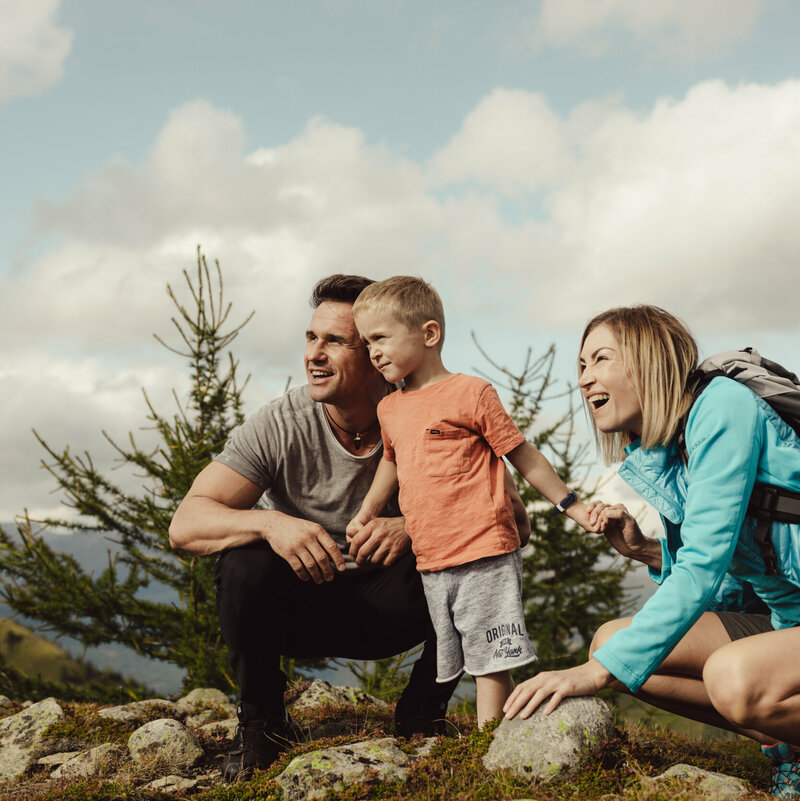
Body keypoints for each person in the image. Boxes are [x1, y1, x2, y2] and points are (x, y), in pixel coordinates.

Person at [169, 273, 529, 781]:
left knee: (480, 556)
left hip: (397, 605)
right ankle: (262, 729)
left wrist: (413, 527)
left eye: (335, 341)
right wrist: (272, 524)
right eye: (311, 338)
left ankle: (422, 717)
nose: (314, 354)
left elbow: (517, 522)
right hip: (303, 603)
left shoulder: (439, 409)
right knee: (244, 560)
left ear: (375, 354)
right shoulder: (280, 423)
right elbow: (186, 524)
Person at [503, 305, 800, 799]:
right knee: (611, 644)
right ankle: (789, 743)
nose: (584, 379)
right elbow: (729, 575)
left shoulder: (723, 407)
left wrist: (594, 675)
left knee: (731, 679)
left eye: (600, 359)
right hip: (785, 616)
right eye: (580, 366)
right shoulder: (665, 449)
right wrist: (645, 550)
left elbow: (704, 566)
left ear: (648, 360)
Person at [347, 276, 595, 727]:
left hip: (484, 548)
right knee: (454, 649)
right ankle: (474, 732)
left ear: (428, 334)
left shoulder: (472, 393)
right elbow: (392, 461)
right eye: (366, 343)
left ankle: (490, 741)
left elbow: (523, 454)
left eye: (380, 338)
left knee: (489, 657)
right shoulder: (389, 408)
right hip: (432, 555)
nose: (373, 352)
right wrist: (366, 511)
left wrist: (572, 506)